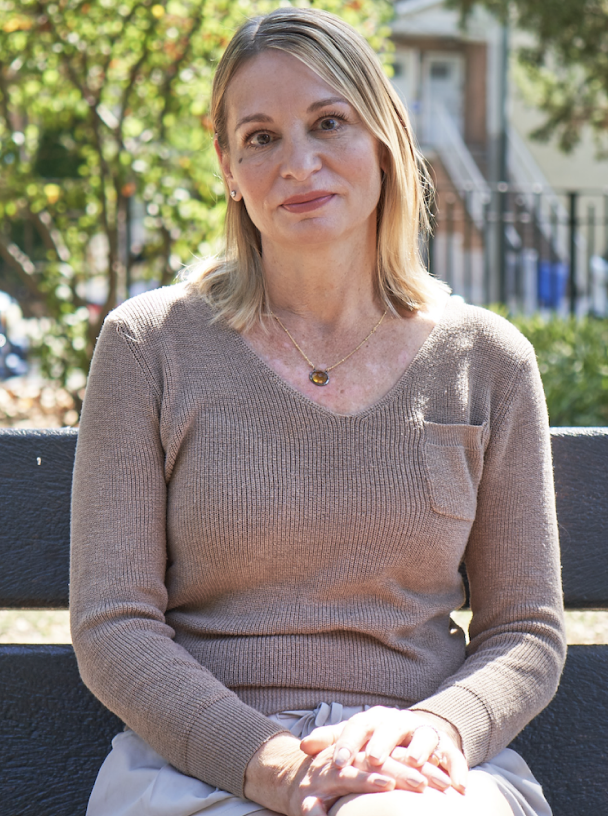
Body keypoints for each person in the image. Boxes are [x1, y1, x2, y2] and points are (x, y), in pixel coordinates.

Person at [70, 8, 566, 816]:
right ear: (229, 167)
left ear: (384, 139)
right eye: (260, 137)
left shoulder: (488, 361)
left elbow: (527, 632)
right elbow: (113, 625)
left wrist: (438, 729)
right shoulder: (149, 345)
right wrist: (269, 763)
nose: (298, 163)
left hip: (417, 768)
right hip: (203, 767)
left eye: (329, 122)